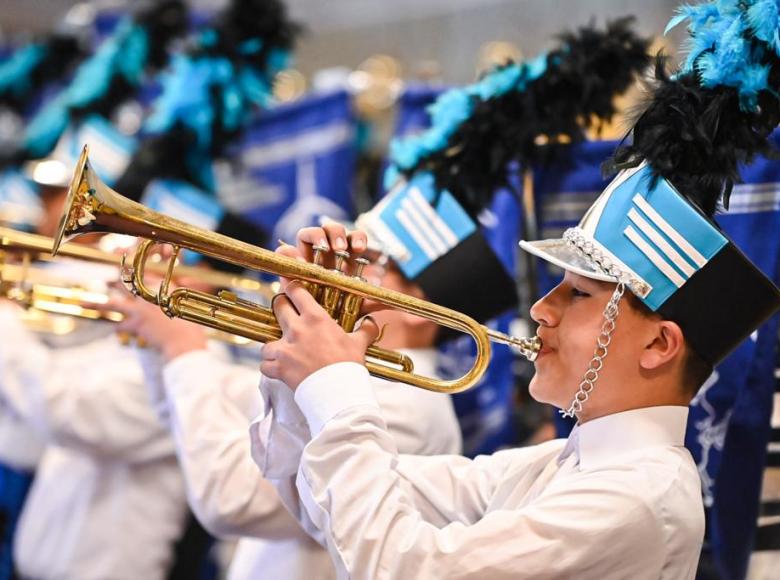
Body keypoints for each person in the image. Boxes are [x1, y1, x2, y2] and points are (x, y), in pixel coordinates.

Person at [250, 2, 780, 575]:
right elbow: (316, 497)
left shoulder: (637, 497)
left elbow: (406, 568)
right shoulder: (564, 463)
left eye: (578, 294)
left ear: (658, 345)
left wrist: (335, 384)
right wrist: (305, 347)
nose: (539, 310)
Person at [111, 230, 462, 580]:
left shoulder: (411, 409)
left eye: (369, 264)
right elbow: (176, 412)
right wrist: (157, 323)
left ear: (417, 306)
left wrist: (183, 349)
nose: (340, 271)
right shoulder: (351, 374)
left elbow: (229, 500)